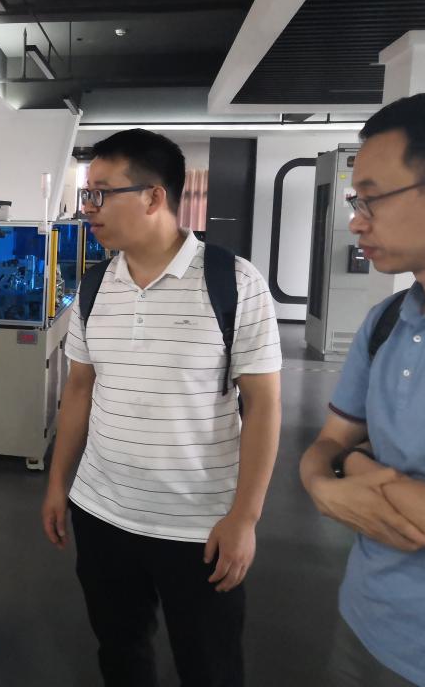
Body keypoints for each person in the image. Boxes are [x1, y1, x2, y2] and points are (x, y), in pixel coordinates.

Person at [42, 129, 282, 687]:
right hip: (102, 513)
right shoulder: (95, 286)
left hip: (198, 525)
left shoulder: (233, 283)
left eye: (101, 193)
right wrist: (58, 484)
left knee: (209, 666)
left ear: (153, 196)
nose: (87, 208)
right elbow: (79, 389)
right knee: (120, 651)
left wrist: (245, 518)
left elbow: (264, 405)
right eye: (86, 194)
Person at [300, 90, 425, 687]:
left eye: (372, 199)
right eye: (355, 201)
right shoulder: (388, 320)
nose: (356, 221)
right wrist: (323, 482)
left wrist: (358, 470)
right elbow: (325, 446)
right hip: (365, 623)